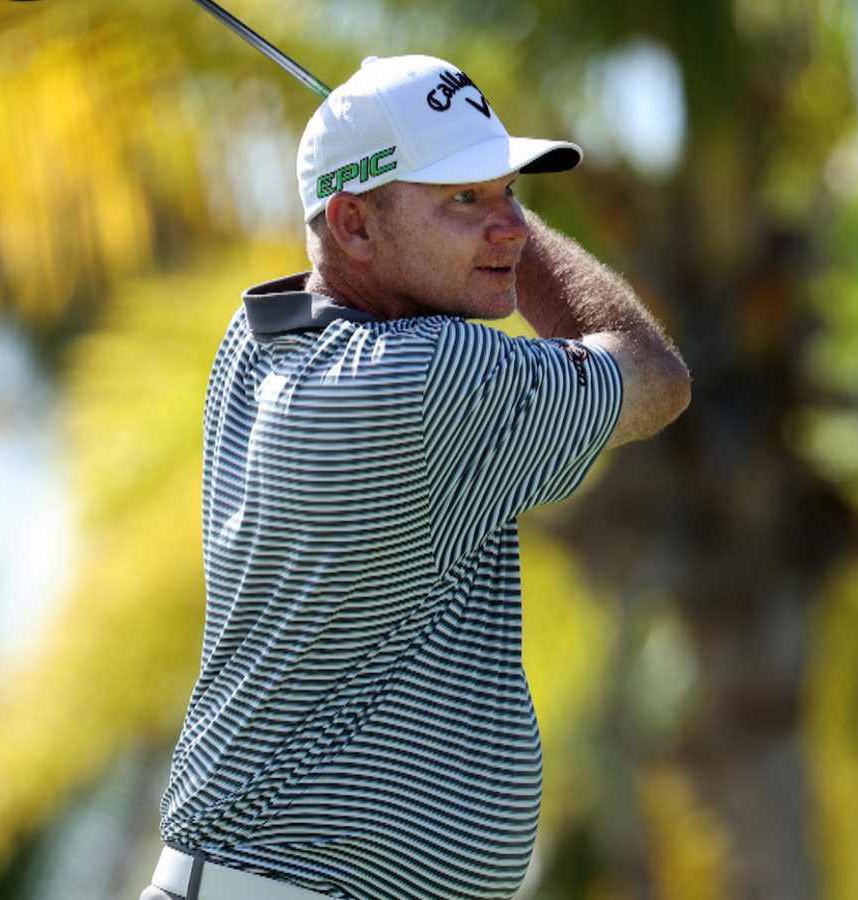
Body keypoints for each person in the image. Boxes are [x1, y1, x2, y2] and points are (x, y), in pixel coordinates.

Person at [139, 54, 689, 900]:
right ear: (354, 226)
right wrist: (518, 240)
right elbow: (655, 376)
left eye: (510, 192)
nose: (509, 225)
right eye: (464, 199)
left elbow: (322, 274)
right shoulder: (426, 378)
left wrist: (444, 198)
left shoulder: (259, 343)